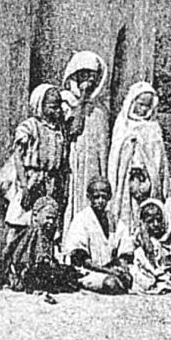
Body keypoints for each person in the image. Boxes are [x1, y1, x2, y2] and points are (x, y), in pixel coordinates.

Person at [0, 83, 70, 245]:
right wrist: (24, 186)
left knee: (47, 221)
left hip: (50, 182)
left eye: (59, 105)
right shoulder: (29, 127)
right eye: (53, 106)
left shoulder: (59, 130)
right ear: (40, 105)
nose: (57, 110)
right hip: (31, 180)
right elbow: (18, 157)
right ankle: (12, 255)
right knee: (20, 219)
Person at [107, 82, 171, 229]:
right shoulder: (123, 123)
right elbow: (116, 153)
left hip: (149, 180)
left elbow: (159, 158)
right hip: (127, 178)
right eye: (140, 104)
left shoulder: (153, 126)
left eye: (147, 106)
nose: (143, 109)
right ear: (132, 101)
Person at [61, 51, 111, 231]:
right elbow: (74, 129)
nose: (88, 80)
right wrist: (82, 99)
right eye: (84, 74)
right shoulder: (68, 101)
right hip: (77, 158)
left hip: (96, 161)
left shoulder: (100, 107)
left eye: (92, 75)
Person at [62, 176, 134, 294]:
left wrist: (122, 268)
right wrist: (109, 272)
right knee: (111, 284)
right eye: (96, 197)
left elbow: (125, 248)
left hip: (109, 269)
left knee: (129, 279)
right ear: (89, 197)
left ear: (109, 197)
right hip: (87, 271)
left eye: (104, 197)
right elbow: (82, 261)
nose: (100, 201)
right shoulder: (81, 219)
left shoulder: (113, 220)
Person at [5, 196, 80, 293]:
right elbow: (23, 258)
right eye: (48, 218)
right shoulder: (32, 233)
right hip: (29, 270)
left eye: (54, 219)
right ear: (36, 216)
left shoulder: (47, 234)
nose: (51, 222)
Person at [132, 200, 171, 292]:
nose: (155, 224)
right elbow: (148, 249)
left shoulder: (166, 237)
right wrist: (145, 235)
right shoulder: (139, 236)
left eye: (159, 220)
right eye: (150, 221)